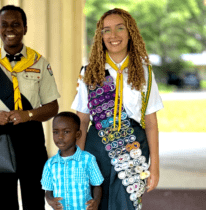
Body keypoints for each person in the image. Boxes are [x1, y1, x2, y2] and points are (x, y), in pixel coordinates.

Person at [71, 8, 164, 210]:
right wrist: (76, 162)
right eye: (107, 30)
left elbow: (151, 123)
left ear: (130, 32)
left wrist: (154, 167)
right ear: (100, 36)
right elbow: (82, 120)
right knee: (96, 202)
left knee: (127, 205)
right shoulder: (90, 72)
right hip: (97, 147)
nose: (113, 35)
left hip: (133, 147)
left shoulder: (145, 71)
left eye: (119, 28)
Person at [0, 5, 60, 210]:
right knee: (4, 200)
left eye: (16, 24)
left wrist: (28, 114)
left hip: (31, 135)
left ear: (25, 28)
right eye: (5, 25)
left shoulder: (39, 62)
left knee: (34, 198)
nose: (10, 29)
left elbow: (53, 106)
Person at [41, 112, 104, 210]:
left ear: (78, 134)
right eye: (56, 132)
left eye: (66, 132)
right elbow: (48, 191)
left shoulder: (88, 159)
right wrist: (50, 201)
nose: (60, 137)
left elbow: (97, 185)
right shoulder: (50, 164)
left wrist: (95, 201)